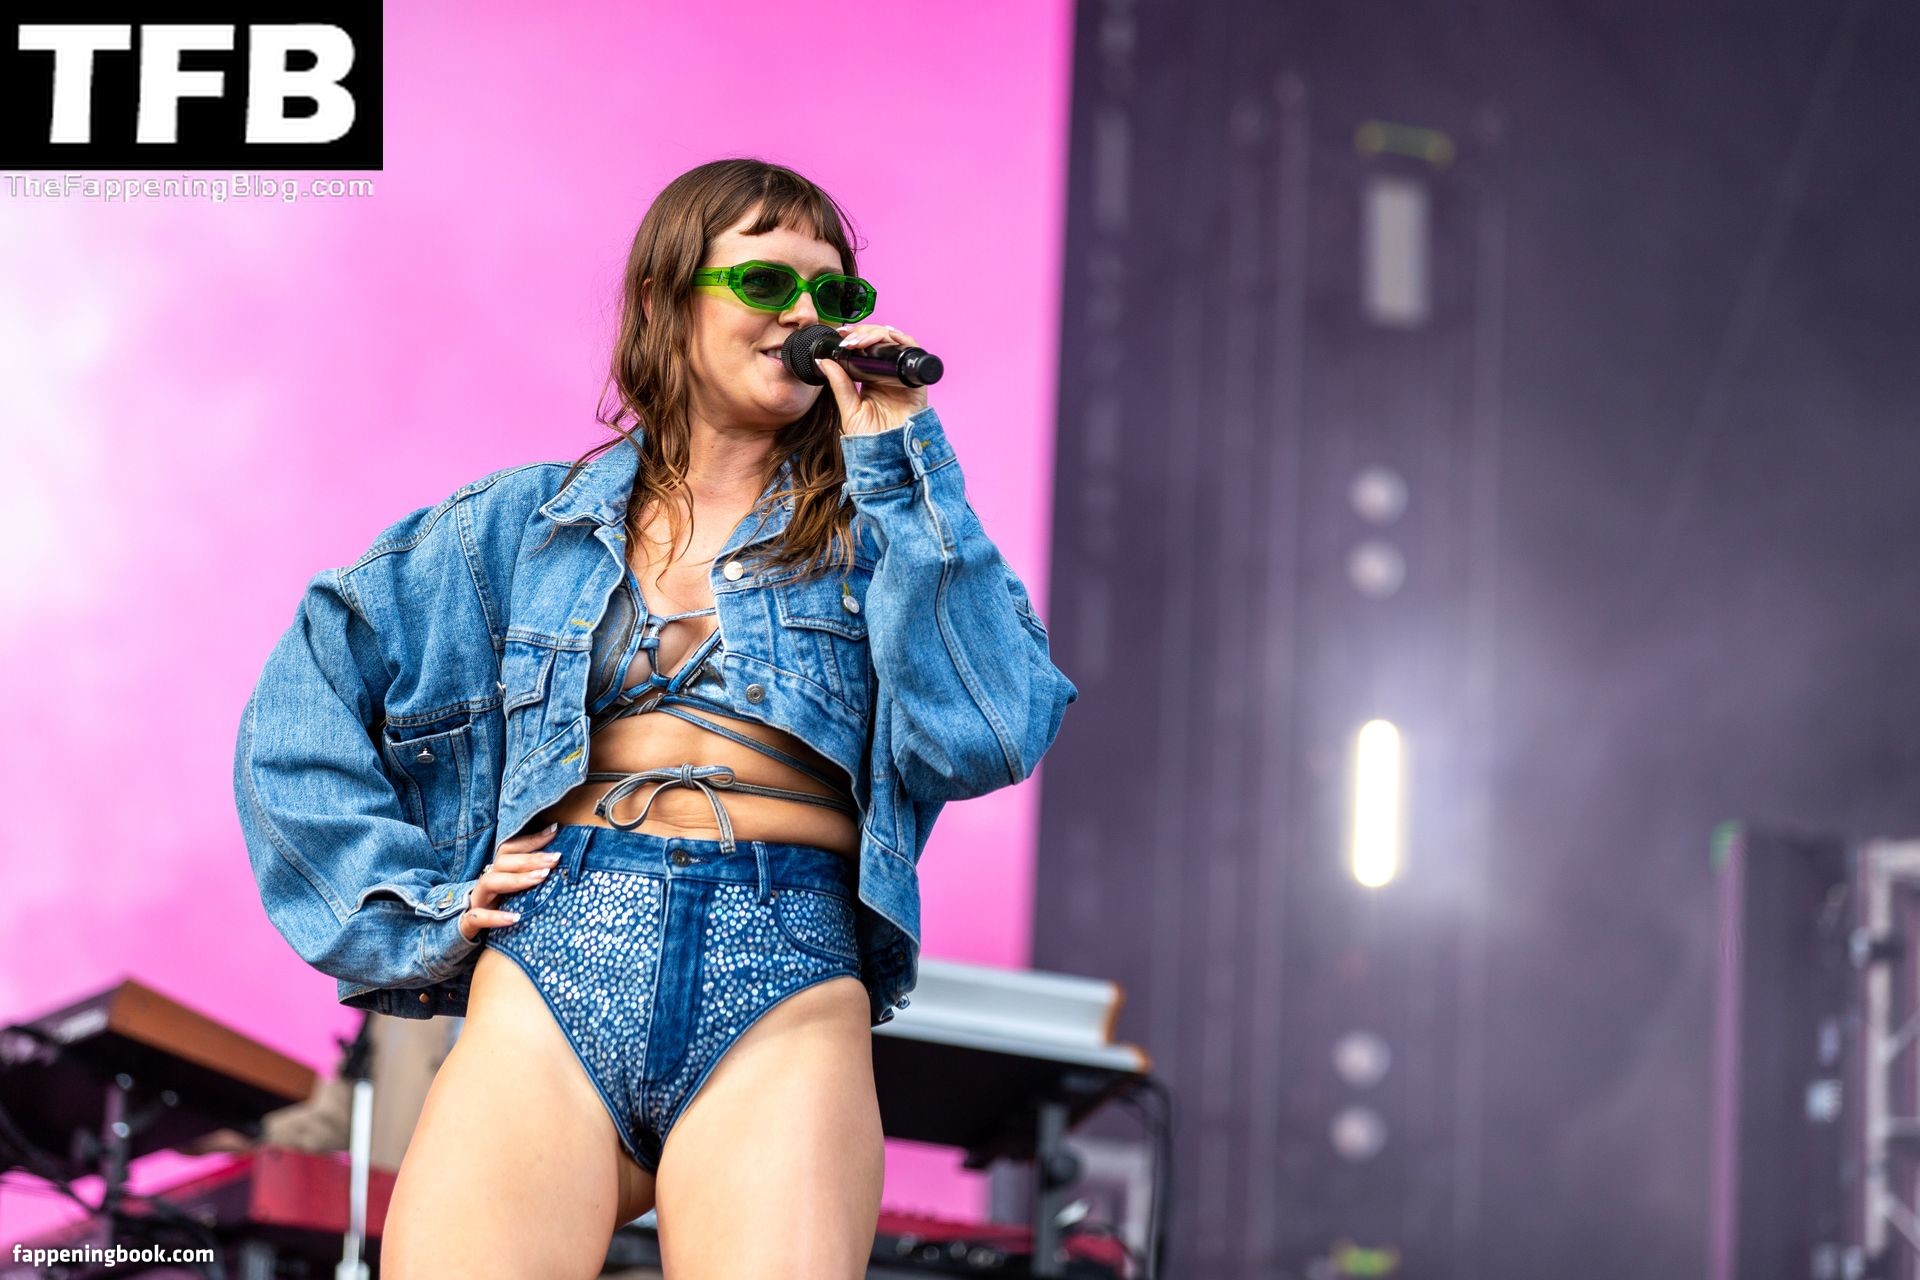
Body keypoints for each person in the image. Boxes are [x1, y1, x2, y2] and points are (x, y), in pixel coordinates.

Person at [233, 157, 1077, 1278]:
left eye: (833, 294)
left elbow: (989, 734)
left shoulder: (885, 533)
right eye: (767, 282)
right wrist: (415, 906)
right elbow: (301, 709)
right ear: (664, 300)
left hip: (781, 971)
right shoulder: (516, 526)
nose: (807, 316)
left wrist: (901, 460)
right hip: (554, 956)